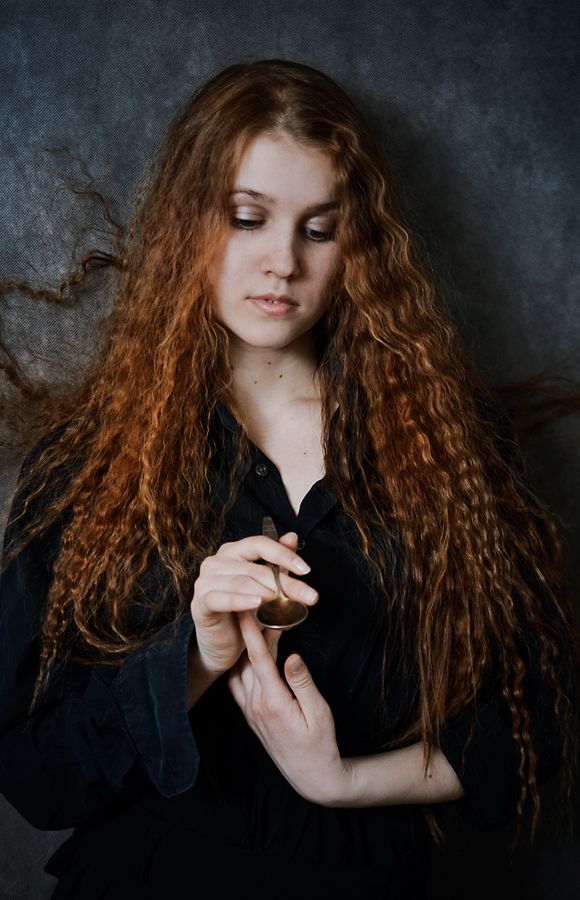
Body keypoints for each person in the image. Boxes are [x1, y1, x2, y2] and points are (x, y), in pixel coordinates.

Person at [0, 58, 577, 900]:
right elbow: (33, 770)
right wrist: (197, 657)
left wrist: (342, 781)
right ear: (187, 224)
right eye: (247, 218)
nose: (282, 262)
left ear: (358, 247)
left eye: (319, 229)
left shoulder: (449, 445)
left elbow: (538, 714)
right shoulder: (87, 461)